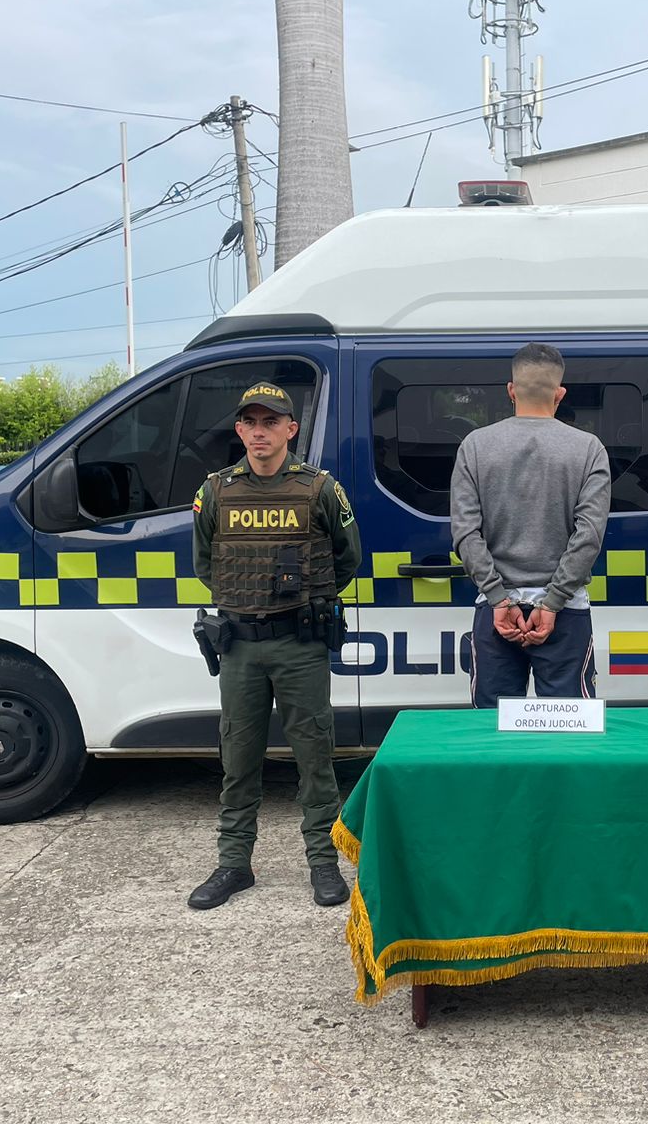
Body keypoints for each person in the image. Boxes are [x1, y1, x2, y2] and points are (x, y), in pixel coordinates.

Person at [187, 382, 363, 911]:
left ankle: (323, 864)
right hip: (240, 646)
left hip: (298, 644)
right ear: (239, 430)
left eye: (271, 422)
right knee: (239, 759)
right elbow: (205, 565)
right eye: (250, 423)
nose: (260, 432)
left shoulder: (321, 489)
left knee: (315, 758)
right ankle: (234, 864)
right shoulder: (215, 490)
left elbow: (346, 558)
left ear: (291, 429)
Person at [450, 343, 611, 708]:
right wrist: (552, 604)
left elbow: (465, 533)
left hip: (496, 613)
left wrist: (498, 598)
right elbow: (588, 536)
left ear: (511, 390)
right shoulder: (589, 449)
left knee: (492, 729)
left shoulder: (475, 446)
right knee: (570, 729)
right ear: (560, 393)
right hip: (566, 612)